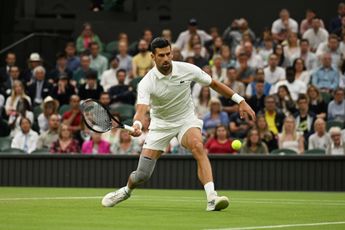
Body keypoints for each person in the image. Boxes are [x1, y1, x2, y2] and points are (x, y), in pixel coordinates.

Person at [101, 37, 255, 211]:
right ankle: (126, 191)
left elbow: (214, 84)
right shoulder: (146, 82)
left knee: (198, 146)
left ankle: (212, 197)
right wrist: (137, 123)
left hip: (186, 120)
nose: (166, 59)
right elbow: (142, 108)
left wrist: (240, 100)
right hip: (160, 125)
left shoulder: (187, 69)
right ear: (153, 57)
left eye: (168, 54)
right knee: (142, 175)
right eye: (161, 56)